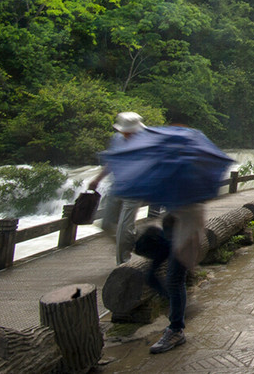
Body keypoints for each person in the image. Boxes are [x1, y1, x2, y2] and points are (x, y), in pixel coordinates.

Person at [147, 201, 206, 354]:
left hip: (184, 231)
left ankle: (176, 329)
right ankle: (181, 306)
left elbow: (197, 209)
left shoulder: (190, 183)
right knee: (150, 276)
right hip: (169, 227)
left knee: (174, 279)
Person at [88, 111, 147, 265]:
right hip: (117, 186)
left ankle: (123, 264)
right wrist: (97, 179)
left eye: (130, 132)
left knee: (124, 228)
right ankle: (137, 243)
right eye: (125, 132)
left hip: (135, 188)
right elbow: (112, 162)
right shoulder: (117, 139)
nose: (127, 135)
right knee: (106, 224)